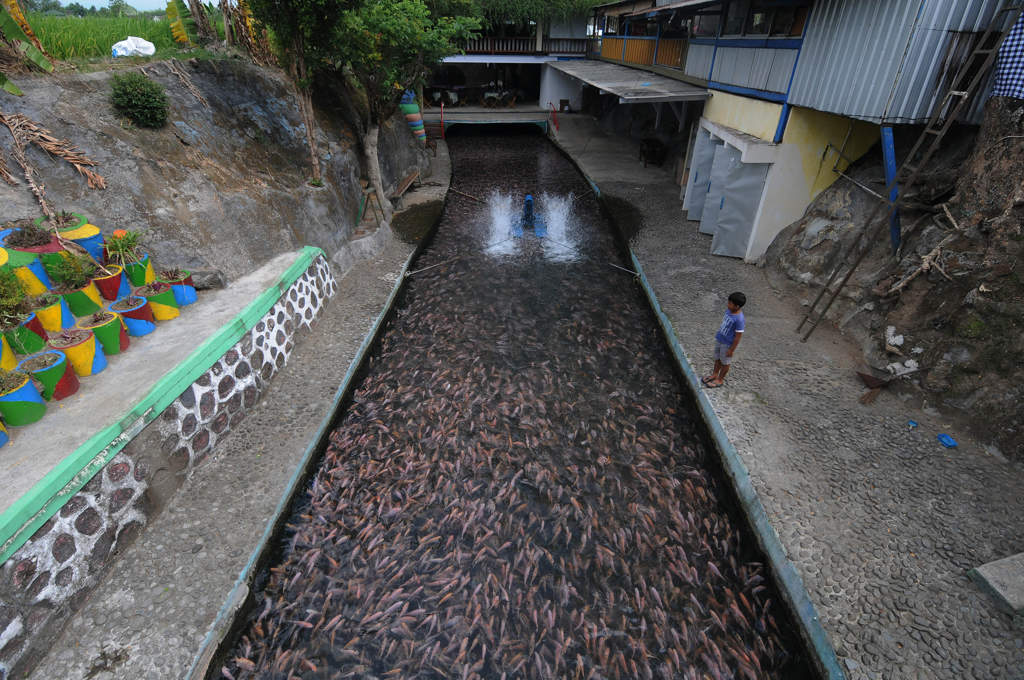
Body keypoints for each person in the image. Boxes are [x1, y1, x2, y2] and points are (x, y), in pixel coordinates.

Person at [703, 291, 746, 388]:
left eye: (730, 304)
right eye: (729, 302)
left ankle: (720, 379)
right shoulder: (729, 311)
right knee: (717, 358)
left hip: (727, 344)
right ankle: (714, 374)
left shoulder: (739, 319)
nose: (728, 305)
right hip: (720, 339)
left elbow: (738, 337)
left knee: (725, 362)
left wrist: (731, 350)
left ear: (737, 306)